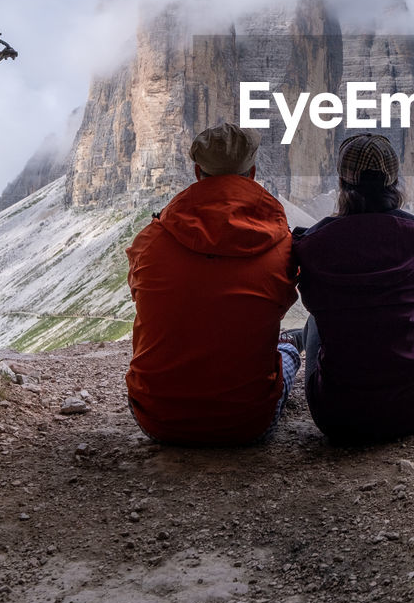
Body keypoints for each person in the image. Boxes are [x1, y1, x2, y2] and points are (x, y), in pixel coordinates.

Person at [125, 122, 300, 445]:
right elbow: (283, 297)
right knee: (290, 349)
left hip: (157, 417)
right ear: (252, 173)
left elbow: (139, 292)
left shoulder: (150, 240)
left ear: (196, 171)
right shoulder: (283, 245)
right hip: (247, 421)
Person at [288, 133, 414, 444]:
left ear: (342, 183)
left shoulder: (313, 244)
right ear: (394, 181)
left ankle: (294, 342)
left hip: (338, 415)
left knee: (316, 319)